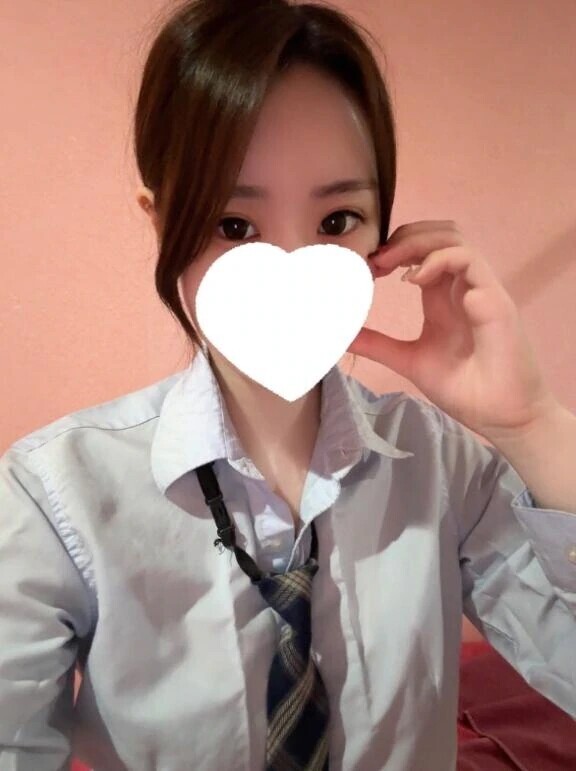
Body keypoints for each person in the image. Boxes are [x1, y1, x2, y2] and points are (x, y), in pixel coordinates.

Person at [1, 0, 575, 769]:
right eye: (233, 226)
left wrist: (532, 423)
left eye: (336, 221)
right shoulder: (54, 494)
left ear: (383, 236)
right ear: (160, 222)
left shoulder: (442, 465)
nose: (291, 268)